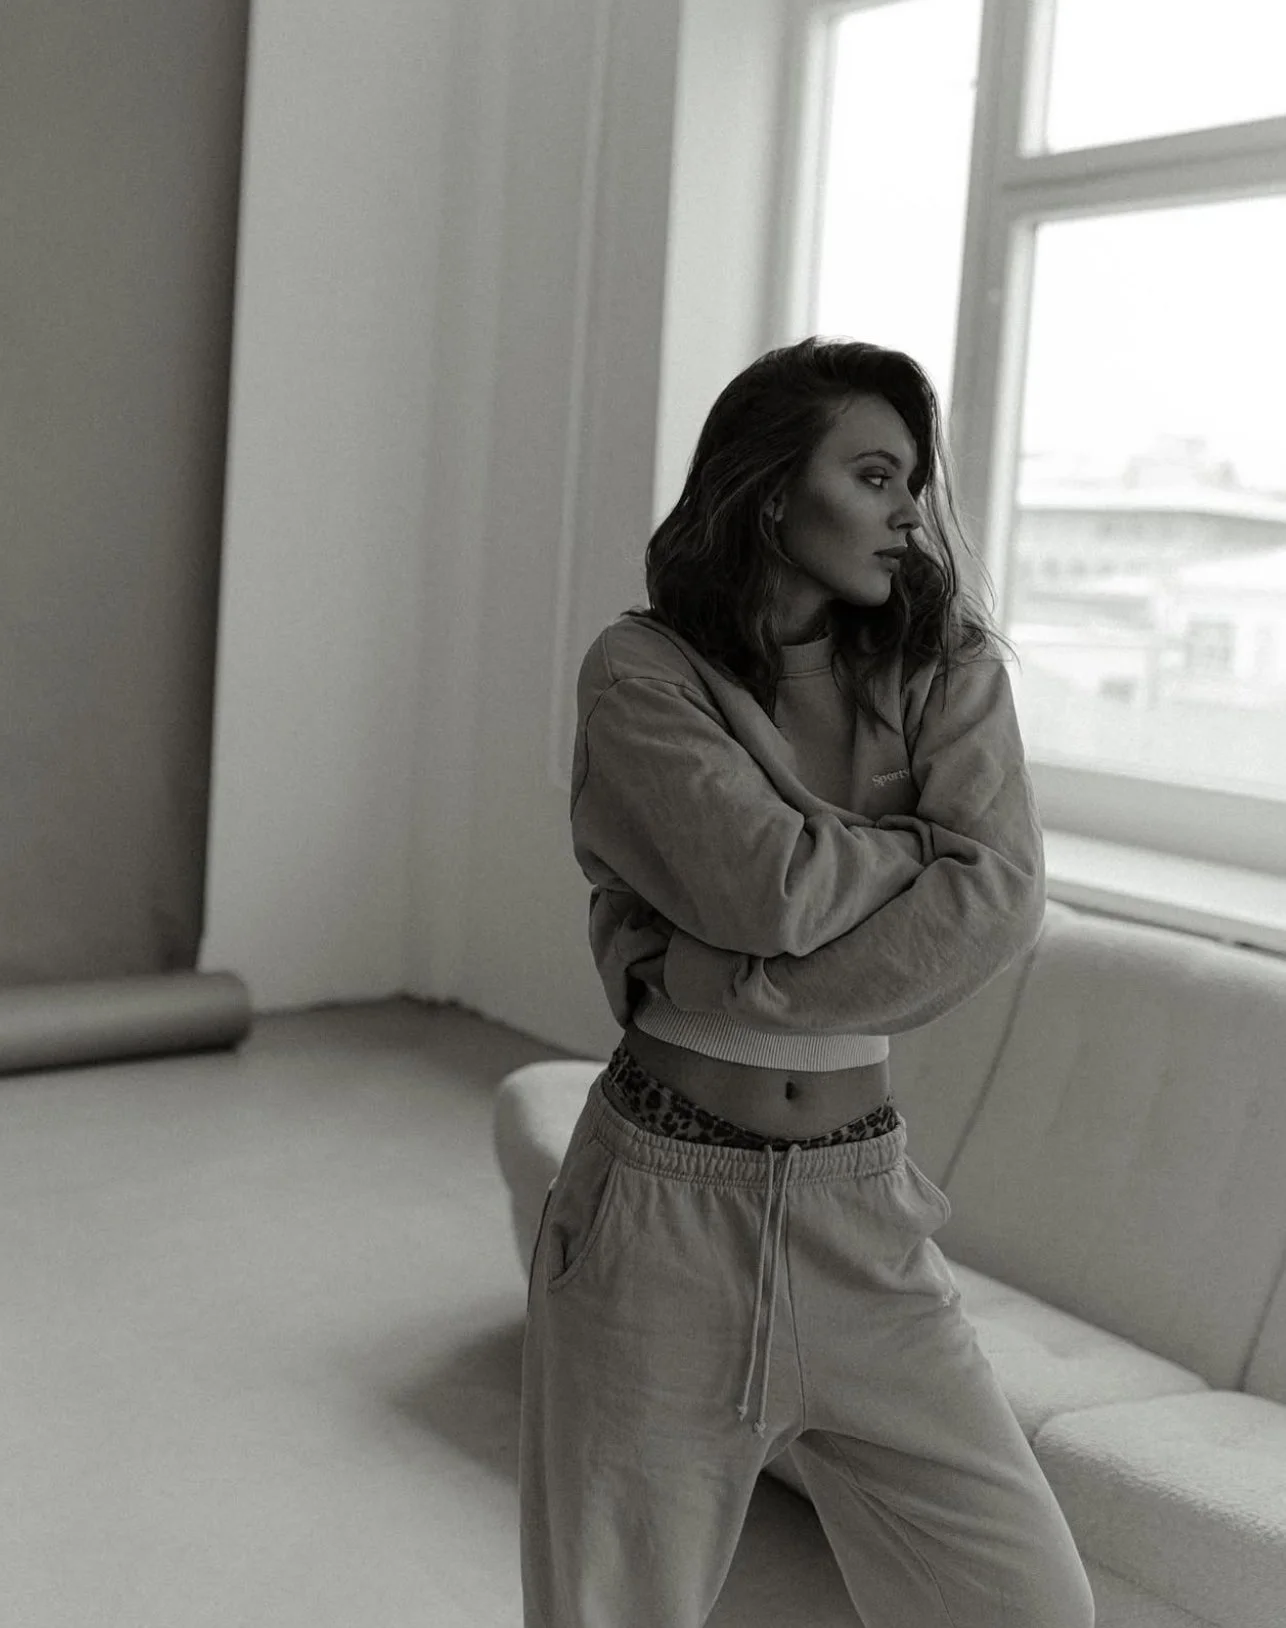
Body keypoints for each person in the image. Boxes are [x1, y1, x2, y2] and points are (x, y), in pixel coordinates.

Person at [519, 336, 1095, 1627]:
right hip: (659, 1213)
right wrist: (912, 854)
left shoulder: (946, 671)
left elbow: (994, 903)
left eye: (913, 482)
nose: (909, 514)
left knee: (1027, 1602)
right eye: (875, 474)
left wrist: (727, 986)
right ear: (774, 491)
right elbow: (762, 888)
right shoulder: (643, 671)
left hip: (862, 1219)